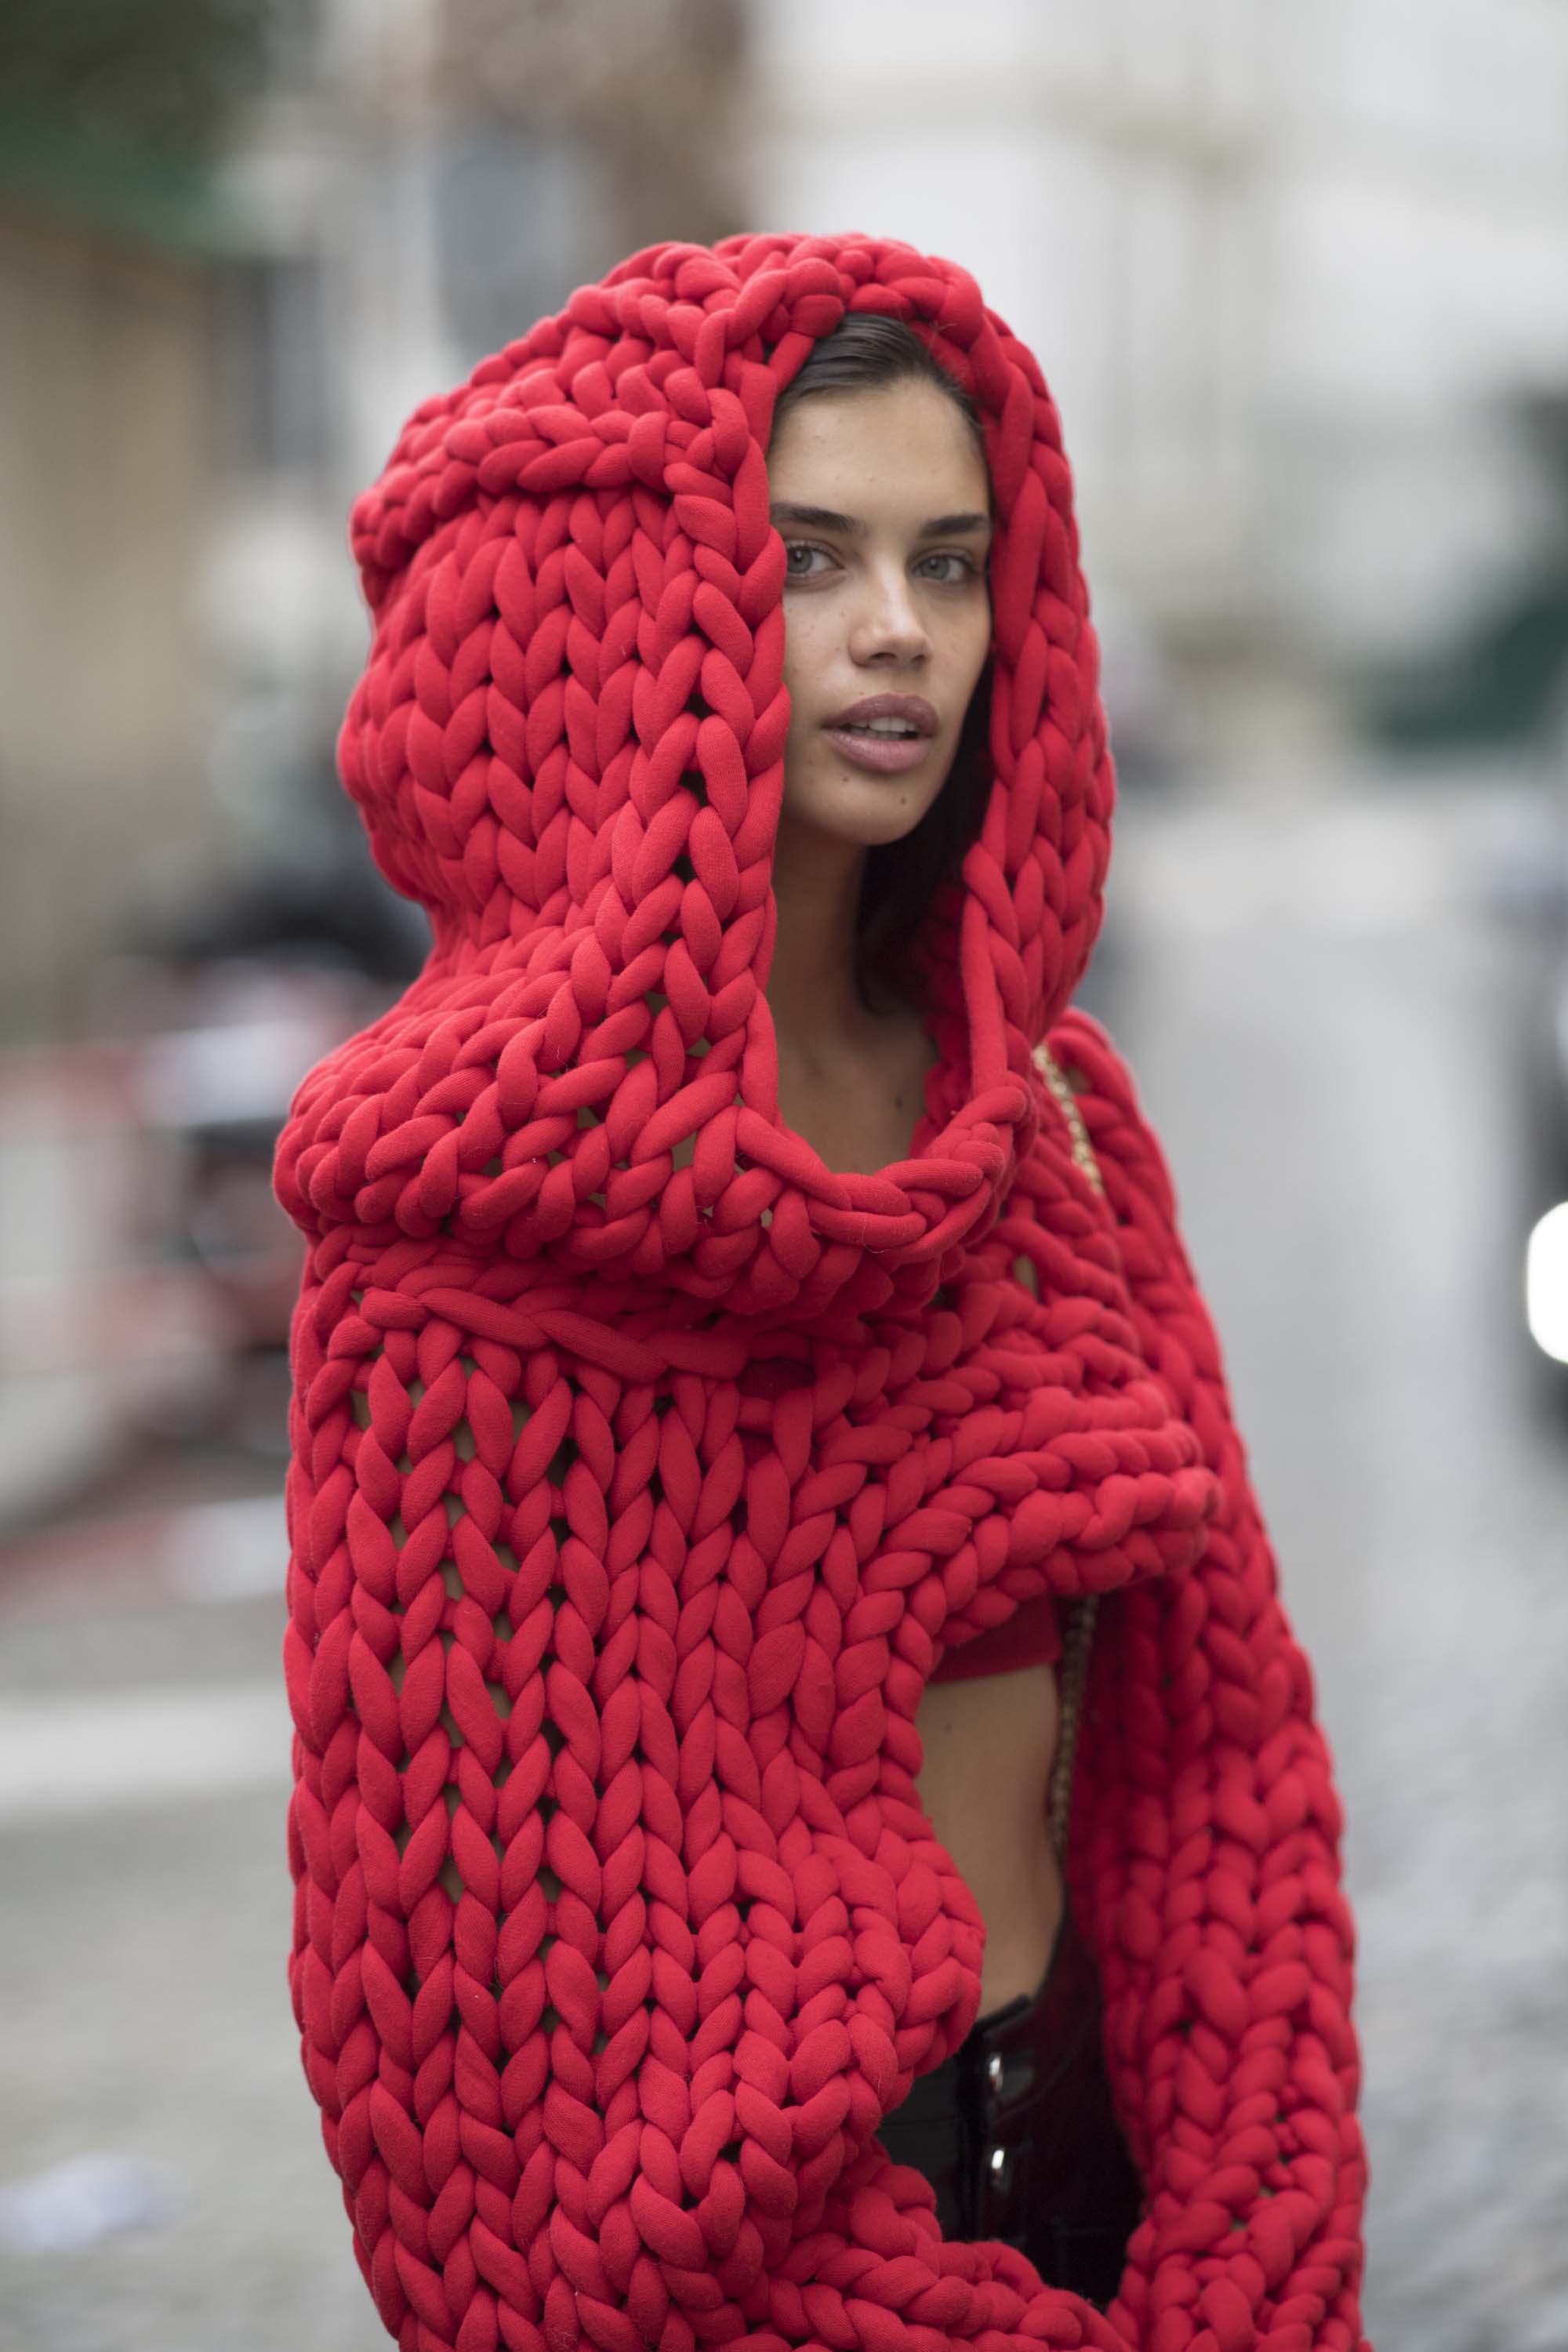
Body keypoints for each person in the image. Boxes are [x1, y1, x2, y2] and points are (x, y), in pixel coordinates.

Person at [274, 231, 1370, 2352]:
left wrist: (1247, 2255)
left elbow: (1220, 1752)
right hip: (752, 2265)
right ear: (623, 618)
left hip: (1097, 2176)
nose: (897, 636)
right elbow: (482, 2095)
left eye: (951, 565)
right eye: (808, 561)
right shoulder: (467, 1268)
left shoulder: (1052, 1123)